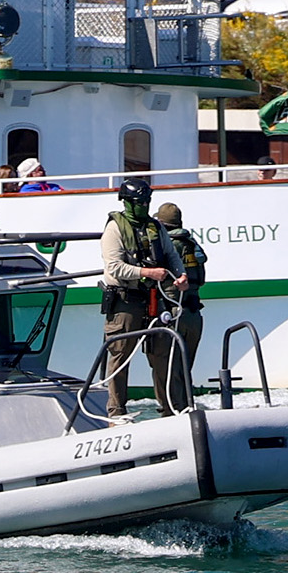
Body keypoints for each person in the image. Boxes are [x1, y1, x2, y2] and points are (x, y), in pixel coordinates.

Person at [100, 177, 188, 423]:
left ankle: (171, 410)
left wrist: (180, 275)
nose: (145, 206)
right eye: (140, 202)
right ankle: (116, 413)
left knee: (163, 354)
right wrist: (146, 272)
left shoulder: (155, 227)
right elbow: (114, 267)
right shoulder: (114, 229)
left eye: (147, 201)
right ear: (128, 202)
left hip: (154, 299)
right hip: (125, 301)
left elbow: (171, 255)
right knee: (120, 356)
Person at [156, 202, 209, 412]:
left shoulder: (166, 246)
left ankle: (172, 414)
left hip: (173, 313)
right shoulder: (192, 244)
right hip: (194, 314)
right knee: (185, 369)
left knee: (168, 368)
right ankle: (187, 408)